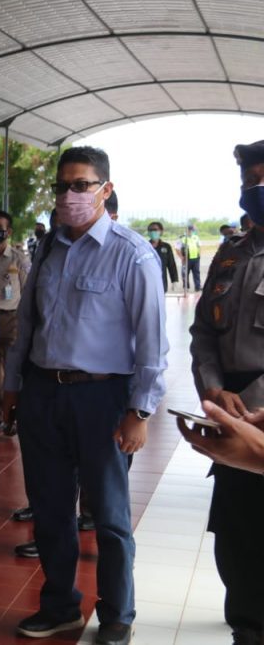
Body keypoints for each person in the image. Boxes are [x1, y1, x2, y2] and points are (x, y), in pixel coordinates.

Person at [1, 146, 167, 645]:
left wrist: (140, 411)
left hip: (103, 399)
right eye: (62, 186)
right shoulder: (48, 248)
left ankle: (117, 612)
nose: (69, 195)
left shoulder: (133, 253)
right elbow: (27, 323)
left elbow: (153, 342)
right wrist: (13, 386)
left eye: (81, 185)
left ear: (105, 189)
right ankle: (60, 606)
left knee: (110, 515)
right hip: (43, 394)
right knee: (50, 508)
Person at [189, 139, 264, 645]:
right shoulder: (231, 254)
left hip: (260, 417)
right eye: (249, 181)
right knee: (235, 539)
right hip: (230, 418)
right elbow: (203, 332)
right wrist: (214, 388)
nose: (257, 188)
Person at [0, 210, 30, 432]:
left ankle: (11, 416)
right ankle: (1, 415)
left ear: (8, 232)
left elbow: (28, 291)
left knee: (9, 367)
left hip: (12, 318)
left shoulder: (19, 259)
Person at [147, 222, 179, 293]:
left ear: (161, 231)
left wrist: (174, 280)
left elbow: (171, 264)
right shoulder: (145, 247)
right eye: (150, 230)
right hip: (148, 282)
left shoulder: (166, 247)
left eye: (155, 230)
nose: (152, 232)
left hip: (162, 281)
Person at [180, 224, 202, 291]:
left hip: (196, 258)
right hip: (187, 259)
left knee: (196, 273)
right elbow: (177, 249)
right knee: (185, 273)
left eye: (192, 230)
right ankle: (186, 287)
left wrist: (199, 254)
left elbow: (199, 246)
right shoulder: (182, 238)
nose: (191, 231)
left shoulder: (196, 237)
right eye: (190, 230)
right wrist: (182, 257)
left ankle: (197, 287)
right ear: (187, 230)